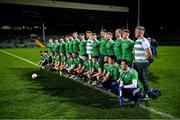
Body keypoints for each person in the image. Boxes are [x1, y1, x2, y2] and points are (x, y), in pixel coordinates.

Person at [133, 26, 153, 100]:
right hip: (136, 62)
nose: (135, 33)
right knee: (139, 79)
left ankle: (146, 94)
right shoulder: (137, 40)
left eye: (136, 32)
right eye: (135, 31)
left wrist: (145, 61)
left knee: (144, 79)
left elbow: (149, 54)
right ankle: (140, 92)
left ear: (141, 33)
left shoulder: (144, 41)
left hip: (142, 63)